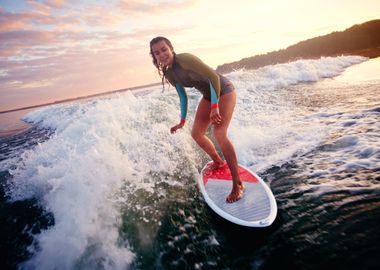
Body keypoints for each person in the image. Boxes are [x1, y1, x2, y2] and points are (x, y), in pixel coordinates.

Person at [149, 36, 244, 203]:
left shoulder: (185, 59)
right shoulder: (169, 72)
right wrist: (182, 121)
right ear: (154, 57)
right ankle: (218, 162)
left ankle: (238, 185)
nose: (162, 54)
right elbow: (182, 97)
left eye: (164, 49)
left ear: (171, 48)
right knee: (196, 133)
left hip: (224, 90)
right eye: (157, 53)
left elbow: (213, 77)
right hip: (209, 95)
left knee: (219, 133)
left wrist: (215, 106)